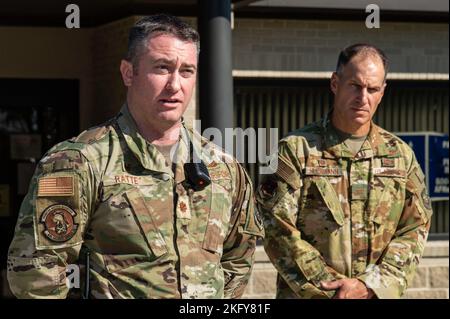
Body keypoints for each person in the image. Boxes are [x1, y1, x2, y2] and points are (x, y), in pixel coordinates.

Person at [7, 14, 263, 299]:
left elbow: (239, 256)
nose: (175, 85)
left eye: (187, 71)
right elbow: (36, 272)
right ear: (129, 73)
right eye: (162, 68)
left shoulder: (222, 167)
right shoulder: (78, 161)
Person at [256, 43, 432, 299]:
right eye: (355, 86)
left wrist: (371, 285)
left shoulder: (400, 155)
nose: (363, 98)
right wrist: (334, 289)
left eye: (372, 89)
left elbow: (415, 227)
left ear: (382, 92)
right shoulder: (295, 151)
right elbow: (276, 229)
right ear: (335, 83)